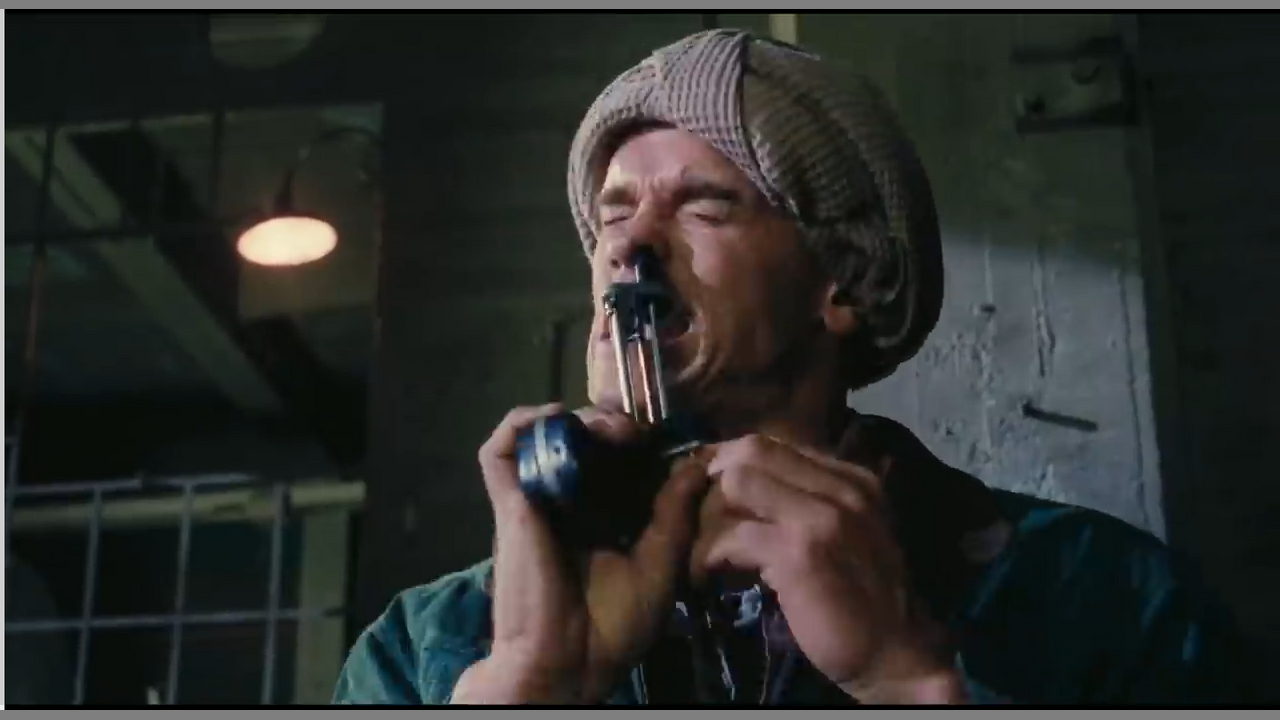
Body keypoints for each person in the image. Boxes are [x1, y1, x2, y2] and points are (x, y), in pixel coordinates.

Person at [333, 29, 1259, 704]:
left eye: (704, 208)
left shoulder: (1102, 600)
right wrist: (527, 688)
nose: (628, 248)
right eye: (612, 215)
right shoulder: (426, 649)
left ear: (844, 281)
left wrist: (908, 683)